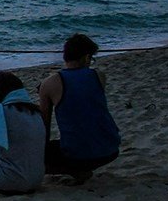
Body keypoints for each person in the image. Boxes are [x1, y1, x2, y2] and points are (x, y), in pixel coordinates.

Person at [36, 33, 120, 183]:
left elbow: (44, 127)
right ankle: (80, 168)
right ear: (87, 57)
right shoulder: (99, 76)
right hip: (110, 149)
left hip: (77, 154)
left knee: (37, 155)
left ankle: (76, 171)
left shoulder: (49, 83)